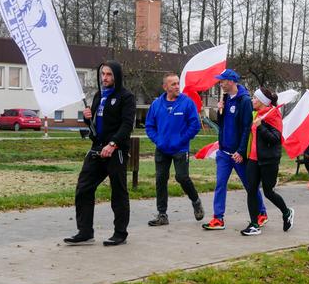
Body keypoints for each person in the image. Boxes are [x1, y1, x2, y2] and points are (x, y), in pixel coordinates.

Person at [64, 61, 136, 246]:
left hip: (116, 150)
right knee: (83, 188)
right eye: (103, 74)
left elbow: (127, 125)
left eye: (109, 74)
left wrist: (113, 144)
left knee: (119, 192)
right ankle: (85, 231)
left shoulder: (126, 97)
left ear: (117, 76)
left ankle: (120, 233)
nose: (105, 78)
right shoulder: (98, 96)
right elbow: (95, 126)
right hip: (97, 148)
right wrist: (88, 119)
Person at [202, 69, 268, 230]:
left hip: (238, 154)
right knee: (220, 184)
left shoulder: (244, 100)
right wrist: (219, 111)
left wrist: (240, 150)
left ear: (231, 81)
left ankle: (261, 213)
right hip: (224, 152)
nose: (221, 84)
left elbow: (247, 127)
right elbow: (223, 124)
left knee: (249, 185)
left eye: (223, 81)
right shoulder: (225, 98)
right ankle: (218, 218)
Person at [145, 73, 205, 226]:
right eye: (173, 84)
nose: (177, 86)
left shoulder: (187, 103)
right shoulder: (156, 104)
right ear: (165, 87)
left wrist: (181, 139)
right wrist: (158, 140)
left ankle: (196, 201)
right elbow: (149, 126)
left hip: (180, 148)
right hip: (162, 149)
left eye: (178, 83)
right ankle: (162, 215)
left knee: (182, 177)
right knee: (160, 179)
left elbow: (194, 125)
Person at [241, 87, 295, 236]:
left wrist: (261, 126)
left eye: (255, 98)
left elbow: (276, 139)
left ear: (263, 101)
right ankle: (254, 224)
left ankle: (286, 212)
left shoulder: (273, 116)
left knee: (268, 192)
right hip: (253, 159)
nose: (252, 100)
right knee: (251, 190)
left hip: (268, 160)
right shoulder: (257, 113)